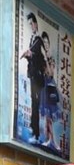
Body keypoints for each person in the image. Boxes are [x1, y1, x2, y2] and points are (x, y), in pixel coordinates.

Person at [20, 12, 45, 144]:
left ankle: (36, 133)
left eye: (32, 23)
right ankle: (32, 127)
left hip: (38, 77)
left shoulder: (38, 40)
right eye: (29, 24)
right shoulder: (33, 38)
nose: (31, 26)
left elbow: (38, 56)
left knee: (36, 103)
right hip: (33, 75)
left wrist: (29, 54)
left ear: (35, 23)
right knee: (33, 101)